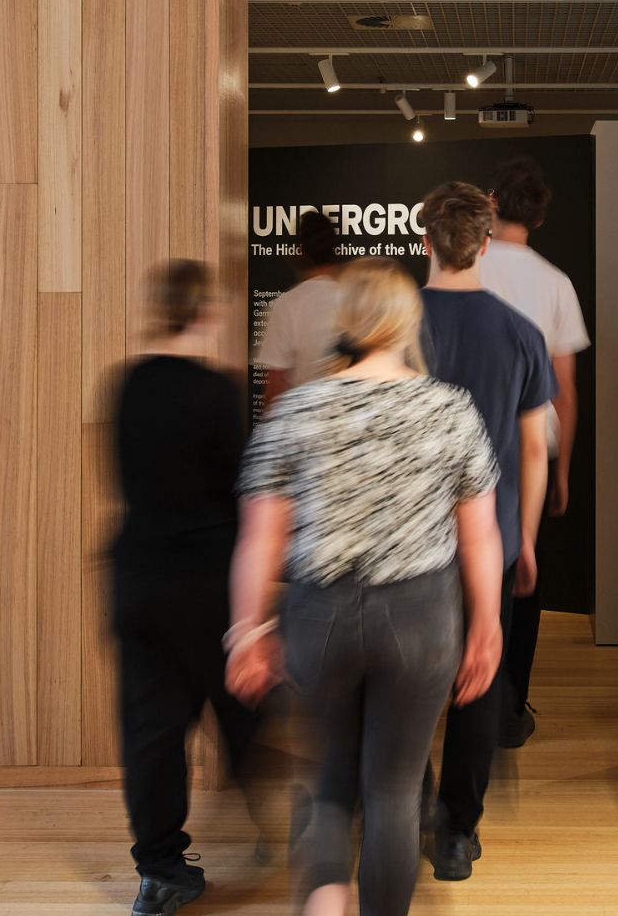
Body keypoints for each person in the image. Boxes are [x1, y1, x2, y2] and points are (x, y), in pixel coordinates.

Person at [225, 258, 506, 916]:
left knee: (328, 784)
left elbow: (260, 538)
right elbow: (480, 536)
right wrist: (486, 625)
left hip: (320, 612)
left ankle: (325, 903)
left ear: (344, 322)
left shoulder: (298, 408)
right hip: (421, 615)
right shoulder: (448, 408)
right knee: (393, 792)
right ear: (408, 322)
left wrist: (247, 629)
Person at [108, 261, 262, 916]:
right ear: (203, 313)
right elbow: (242, 487)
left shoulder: (127, 385)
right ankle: (291, 826)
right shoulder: (215, 392)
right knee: (246, 709)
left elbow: (123, 478)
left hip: (137, 577)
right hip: (204, 581)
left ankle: (161, 870)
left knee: (150, 729)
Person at [416, 181, 555, 880]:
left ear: (425, 242)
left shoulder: (391, 327)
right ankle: (457, 834)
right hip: (491, 538)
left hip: (404, 542)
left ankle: (409, 802)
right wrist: (525, 537)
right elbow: (535, 449)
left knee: (406, 681)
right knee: (477, 682)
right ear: (486, 243)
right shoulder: (520, 333)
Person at [478, 157, 590, 749]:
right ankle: (508, 707)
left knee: (458, 571)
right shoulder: (555, 283)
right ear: (541, 217)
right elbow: (565, 392)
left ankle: (462, 692)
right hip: (530, 450)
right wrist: (563, 466)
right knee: (523, 576)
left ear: (491, 202)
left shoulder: (459, 268)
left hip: (461, 446)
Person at [255, 210, 343, 402]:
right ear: (336, 250)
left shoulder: (286, 305)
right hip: (350, 421)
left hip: (303, 420)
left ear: (299, 251)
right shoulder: (355, 300)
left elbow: (275, 387)